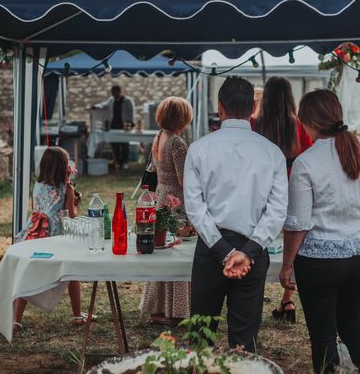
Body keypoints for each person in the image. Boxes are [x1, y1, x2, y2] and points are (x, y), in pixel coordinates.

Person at [184, 76, 288, 352]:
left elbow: (195, 207)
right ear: (253, 108)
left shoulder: (199, 149)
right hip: (252, 251)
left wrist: (224, 251)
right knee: (244, 341)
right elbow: (277, 211)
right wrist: (247, 252)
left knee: (201, 337)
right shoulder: (272, 153)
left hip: (210, 249)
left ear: (220, 108)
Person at [279, 89, 360, 374]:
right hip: (359, 257)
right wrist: (358, 244)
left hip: (319, 262)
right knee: (351, 327)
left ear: (306, 122)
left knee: (323, 335)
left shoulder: (306, 163)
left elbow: (298, 223)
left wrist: (287, 265)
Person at [253, 76, 312, 323]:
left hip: (261, 188)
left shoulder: (255, 124)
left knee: (258, 241)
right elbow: (309, 156)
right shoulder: (298, 126)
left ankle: (254, 293)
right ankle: (287, 299)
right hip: (291, 187)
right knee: (293, 245)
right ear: (290, 97)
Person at [13, 147, 85, 331]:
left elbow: (38, 209)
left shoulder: (37, 186)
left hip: (35, 233)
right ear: (62, 167)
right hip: (55, 237)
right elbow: (70, 216)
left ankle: (16, 320)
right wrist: (76, 202)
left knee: (27, 275)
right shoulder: (66, 188)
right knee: (73, 273)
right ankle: (77, 315)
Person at [140, 97, 193, 325]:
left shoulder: (158, 137)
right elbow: (184, 180)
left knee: (162, 252)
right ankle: (176, 311)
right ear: (183, 118)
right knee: (178, 255)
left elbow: (151, 170)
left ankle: (157, 308)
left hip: (161, 195)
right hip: (175, 200)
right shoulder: (177, 143)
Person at [94, 85, 135, 169]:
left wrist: (131, 125)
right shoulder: (111, 100)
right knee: (115, 144)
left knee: (124, 144)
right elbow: (104, 104)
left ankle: (125, 162)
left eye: (115, 93)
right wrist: (96, 106)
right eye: (112, 93)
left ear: (119, 92)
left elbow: (131, 114)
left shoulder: (127, 101)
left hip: (124, 125)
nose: (113, 95)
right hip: (113, 125)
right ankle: (117, 162)